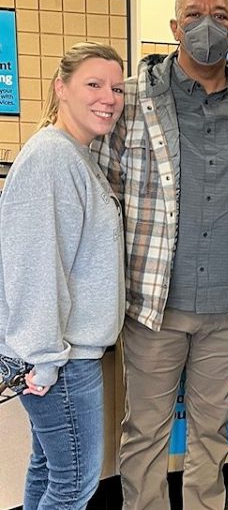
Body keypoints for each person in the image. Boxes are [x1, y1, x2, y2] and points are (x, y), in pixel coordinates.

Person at [94, 0, 228, 510]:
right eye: (194, 14)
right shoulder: (132, 99)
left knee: (210, 433)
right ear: (174, 28)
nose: (207, 24)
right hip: (154, 305)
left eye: (220, 15)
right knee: (146, 432)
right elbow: (103, 189)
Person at [0, 42, 126, 510]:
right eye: (93, 84)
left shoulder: (74, 155)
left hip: (61, 353)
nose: (108, 98)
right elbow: (33, 266)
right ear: (61, 88)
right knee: (73, 487)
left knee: (47, 470)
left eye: (115, 88)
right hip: (61, 359)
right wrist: (45, 357)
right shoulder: (52, 158)